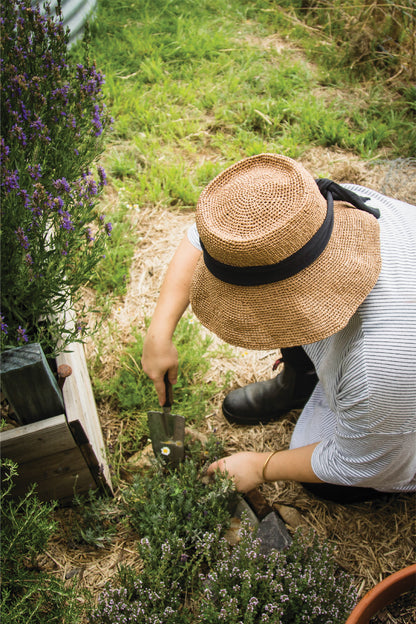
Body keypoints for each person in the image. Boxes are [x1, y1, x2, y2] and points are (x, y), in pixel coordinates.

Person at [141, 153, 416, 503]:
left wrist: (261, 465)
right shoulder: (307, 212)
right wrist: (158, 334)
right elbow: (203, 237)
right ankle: (300, 382)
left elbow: (366, 462)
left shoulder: (377, 369)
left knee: (324, 477)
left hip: (400, 392)